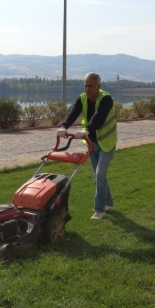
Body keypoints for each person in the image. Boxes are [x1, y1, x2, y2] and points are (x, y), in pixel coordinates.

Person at [57, 72, 117, 220]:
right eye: (85, 85)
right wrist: (64, 126)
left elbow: (99, 116)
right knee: (99, 177)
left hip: (107, 144)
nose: (87, 89)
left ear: (99, 86)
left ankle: (99, 211)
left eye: (91, 86)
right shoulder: (82, 98)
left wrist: (86, 129)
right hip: (92, 144)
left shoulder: (106, 99)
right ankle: (108, 203)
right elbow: (73, 112)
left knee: (99, 175)